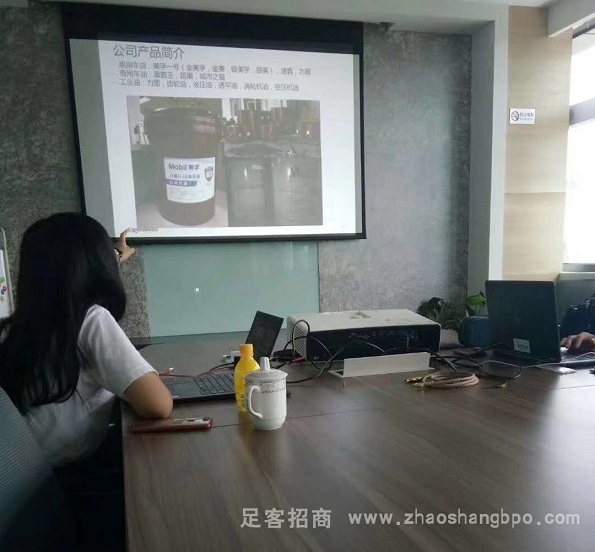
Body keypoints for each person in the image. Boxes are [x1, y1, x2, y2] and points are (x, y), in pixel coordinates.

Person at [0, 213, 172, 468]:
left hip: (24, 473)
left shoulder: (14, 328)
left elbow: (64, 276)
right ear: (97, 265)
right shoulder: (90, 320)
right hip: (67, 478)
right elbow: (158, 405)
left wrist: (116, 254)